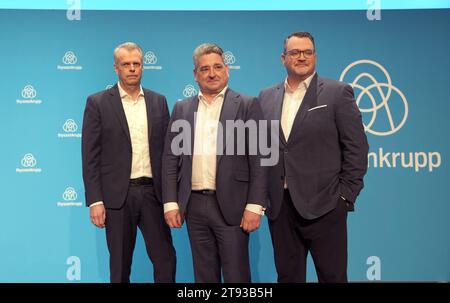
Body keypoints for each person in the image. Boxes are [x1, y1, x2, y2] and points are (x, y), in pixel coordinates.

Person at [258, 32, 369, 282]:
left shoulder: (337, 93)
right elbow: (261, 149)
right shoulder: (266, 96)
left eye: (308, 52)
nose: (302, 57)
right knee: (287, 277)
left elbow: (357, 148)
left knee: (332, 277)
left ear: (315, 56)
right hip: (281, 207)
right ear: (283, 58)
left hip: (326, 205)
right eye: (295, 52)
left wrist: (344, 196)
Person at [162, 43, 267, 283]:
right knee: (204, 276)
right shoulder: (182, 109)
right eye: (205, 69)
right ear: (195, 74)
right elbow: (170, 158)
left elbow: (261, 158)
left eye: (218, 67)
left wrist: (255, 205)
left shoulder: (248, 104)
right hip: (194, 206)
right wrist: (170, 202)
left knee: (236, 277)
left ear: (227, 70)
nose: (212, 73)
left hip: (233, 205)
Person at [81, 42, 176, 283]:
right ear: (116, 68)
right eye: (126, 64)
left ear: (142, 66)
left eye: (136, 64)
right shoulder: (98, 102)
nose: (132, 69)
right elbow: (90, 156)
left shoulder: (158, 101)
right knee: (120, 265)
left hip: (154, 195)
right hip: (117, 198)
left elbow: (168, 154)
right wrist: (95, 200)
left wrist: (171, 197)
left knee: (165, 259)